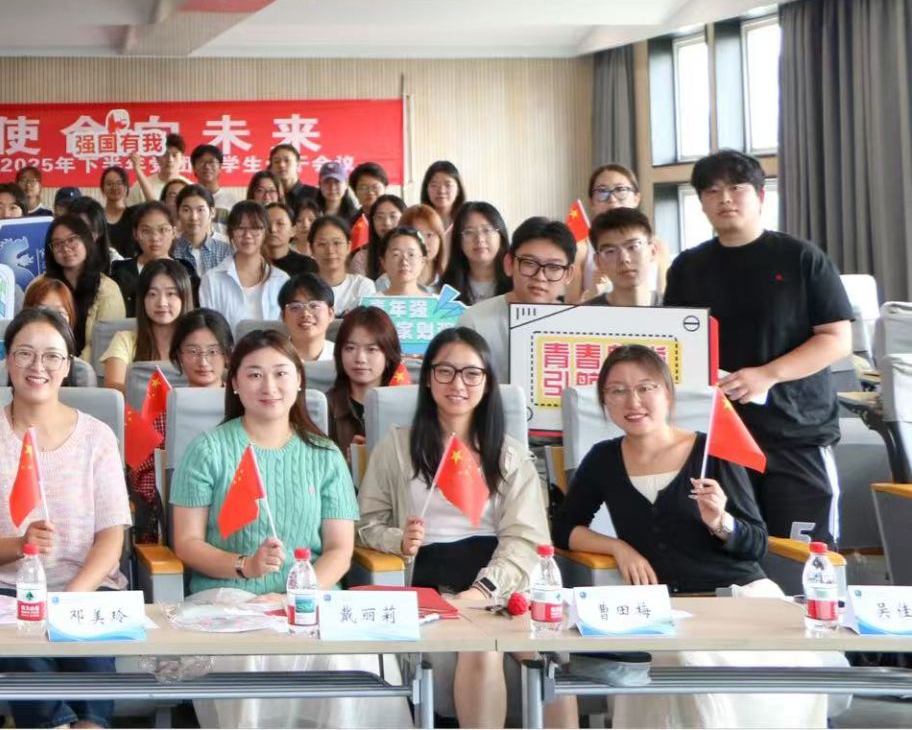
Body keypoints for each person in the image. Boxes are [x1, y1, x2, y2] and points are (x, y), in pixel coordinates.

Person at [559, 344, 828, 729]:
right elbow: (565, 528)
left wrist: (720, 521)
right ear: (605, 400)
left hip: (738, 598)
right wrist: (618, 547)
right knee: (679, 660)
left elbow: (756, 543)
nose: (632, 401)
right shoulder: (603, 459)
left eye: (645, 387)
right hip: (665, 609)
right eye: (617, 391)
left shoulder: (711, 451)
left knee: (715, 664)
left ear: (667, 394)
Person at [168, 330, 399, 730]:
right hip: (229, 598)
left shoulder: (325, 454)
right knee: (251, 656)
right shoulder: (207, 449)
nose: (269, 386)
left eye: (280, 373)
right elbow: (187, 543)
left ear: (299, 380)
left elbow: (339, 549)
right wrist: (245, 565)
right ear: (234, 383)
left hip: (311, 598)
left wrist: (297, 596)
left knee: (351, 659)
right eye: (254, 374)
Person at [357, 327, 549, 730]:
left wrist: (484, 590)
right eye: (445, 371)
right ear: (428, 378)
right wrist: (398, 538)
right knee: (480, 646)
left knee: (540, 657)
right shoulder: (397, 447)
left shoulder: (510, 455)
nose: (457, 384)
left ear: (487, 382)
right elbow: (366, 523)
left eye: (471, 373)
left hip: (503, 574)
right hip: (431, 572)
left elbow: (526, 538)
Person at [0, 307, 130, 730]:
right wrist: (20, 545)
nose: (38, 366)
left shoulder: (98, 437)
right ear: (8, 361)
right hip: (3, 592)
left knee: (93, 668)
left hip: (86, 590)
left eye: (51, 356)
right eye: (25, 354)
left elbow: (111, 538)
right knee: (26, 654)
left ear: (67, 366)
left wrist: (70, 600)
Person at [664, 148, 854, 545]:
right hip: (720, 437)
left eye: (736, 188)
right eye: (712, 191)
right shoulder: (687, 268)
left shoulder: (802, 258)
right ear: (701, 203)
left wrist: (767, 375)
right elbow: (676, 346)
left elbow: (836, 339)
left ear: (761, 196)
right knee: (731, 550)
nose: (725, 198)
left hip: (796, 432)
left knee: (804, 553)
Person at [459, 216, 575, 379]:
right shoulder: (475, 321)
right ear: (509, 264)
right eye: (529, 263)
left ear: (568, 274)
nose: (540, 277)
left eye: (553, 267)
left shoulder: (579, 328)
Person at [27, 212, 124, 355]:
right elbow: (26, 331)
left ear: (87, 241)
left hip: (93, 365)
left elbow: (108, 341)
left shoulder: (108, 289)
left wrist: (73, 365)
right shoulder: (39, 285)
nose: (66, 248)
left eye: (72, 240)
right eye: (57, 243)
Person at [580, 163, 672, 297]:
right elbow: (569, 304)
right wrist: (593, 293)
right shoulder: (580, 249)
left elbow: (666, 297)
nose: (612, 199)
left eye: (620, 190)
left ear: (636, 198)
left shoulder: (658, 245)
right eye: (602, 191)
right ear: (591, 202)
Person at [102, 257, 192, 388]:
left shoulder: (197, 343)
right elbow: (114, 390)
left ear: (184, 298)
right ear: (142, 299)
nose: (162, 303)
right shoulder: (125, 340)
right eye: (152, 294)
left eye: (171, 294)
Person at [327, 306, 403, 451]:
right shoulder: (324, 408)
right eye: (350, 348)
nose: (360, 359)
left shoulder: (406, 406)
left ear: (388, 356)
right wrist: (344, 461)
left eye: (371, 349)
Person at [200, 201, 288, 324]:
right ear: (231, 232)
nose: (247, 235)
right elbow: (209, 328)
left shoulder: (281, 280)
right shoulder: (211, 280)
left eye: (255, 228)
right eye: (240, 228)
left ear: (265, 232)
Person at [110, 201, 199, 309]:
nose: (155, 238)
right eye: (146, 231)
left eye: (163, 230)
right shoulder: (120, 272)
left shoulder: (186, 271)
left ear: (174, 232)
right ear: (135, 234)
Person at [441, 201, 512, 305]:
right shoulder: (446, 288)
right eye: (469, 232)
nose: (479, 239)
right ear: (458, 240)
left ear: (501, 235)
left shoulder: (516, 283)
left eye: (487, 230)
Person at [589, 207, 661, 306]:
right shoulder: (584, 314)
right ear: (598, 262)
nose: (624, 259)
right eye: (610, 251)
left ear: (652, 251)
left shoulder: (676, 308)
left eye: (633, 247)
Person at [308, 215, 376, 315]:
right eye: (322, 244)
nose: (330, 250)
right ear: (311, 249)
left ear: (348, 247)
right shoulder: (303, 288)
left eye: (337, 243)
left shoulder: (362, 285)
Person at [172, 183, 231, 276]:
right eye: (186, 210)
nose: (194, 217)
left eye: (200, 210)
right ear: (178, 212)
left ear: (212, 212)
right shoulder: (171, 247)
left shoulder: (226, 248)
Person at [276, 274, 335, 366]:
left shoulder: (343, 357)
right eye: (295, 307)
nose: (305, 313)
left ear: (330, 314)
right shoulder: (272, 358)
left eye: (314, 306)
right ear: (283, 316)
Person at [387, 204, 447, 291]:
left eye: (429, 235)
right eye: (417, 236)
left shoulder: (452, 280)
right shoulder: (387, 283)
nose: (424, 242)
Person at [347, 193, 408, 278]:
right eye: (380, 217)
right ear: (372, 221)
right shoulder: (362, 259)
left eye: (393, 216)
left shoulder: (414, 254)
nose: (386, 223)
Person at [172, 310, 234, 389]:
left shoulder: (242, 397)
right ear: (179, 355)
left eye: (213, 351)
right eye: (193, 351)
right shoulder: (171, 397)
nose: (203, 363)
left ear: (228, 355)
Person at [125, 135, 191, 208]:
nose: (170, 159)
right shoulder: (140, 186)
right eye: (165, 155)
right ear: (157, 158)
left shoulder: (189, 187)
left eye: (174, 155)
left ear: (182, 159)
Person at [375, 225, 435, 299]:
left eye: (411, 254)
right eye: (396, 255)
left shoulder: (438, 303)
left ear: (422, 262)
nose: (404, 262)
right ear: (383, 261)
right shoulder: (371, 303)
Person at [264, 202, 318, 277]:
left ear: (293, 230)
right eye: (267, 223)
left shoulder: (308, 266)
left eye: (280, 224)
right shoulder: (252, 263)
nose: (273, 229)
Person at [418, 159, 466, 232]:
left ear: (458, 189)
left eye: (448, 185)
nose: (441, 191)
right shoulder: (418, 222)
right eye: (434, 185)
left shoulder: (467, 220)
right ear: (426, 189)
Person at [98, 165, 135, 257]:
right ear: (103, 188)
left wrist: (138, 170)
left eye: (119, 183)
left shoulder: (134, 213)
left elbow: (155, 205)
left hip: (129, 265)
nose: (114, 187)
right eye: (109, 184)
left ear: (126, 187)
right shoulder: (96, 215)